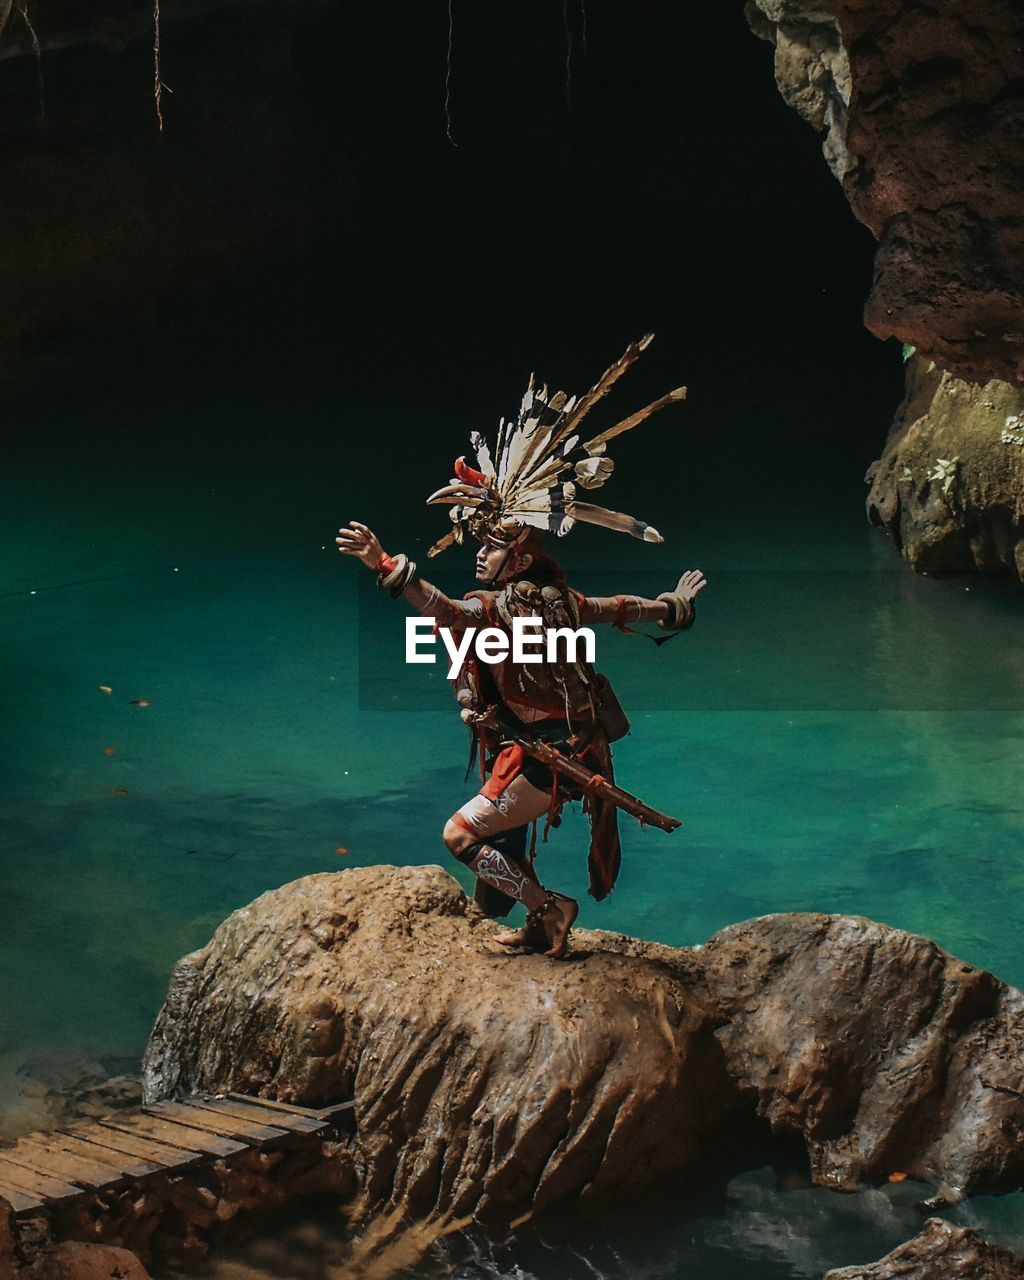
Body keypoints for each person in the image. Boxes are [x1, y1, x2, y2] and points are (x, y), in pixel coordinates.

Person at [337, 335, 707, 959]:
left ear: (523, 552)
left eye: (491, 541)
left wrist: (386, 565)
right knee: (490, 895)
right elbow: (628, 608)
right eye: (477, 539)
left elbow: (442, 611)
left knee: (460, 836)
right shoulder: (562, 602)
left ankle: (552, 908)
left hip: (541, 761)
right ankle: (530, 919)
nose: (479, 550)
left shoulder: (492, 610)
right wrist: (676, 605)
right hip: (556, 752)